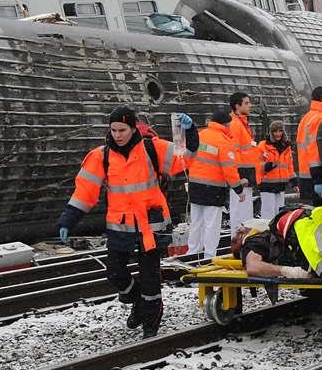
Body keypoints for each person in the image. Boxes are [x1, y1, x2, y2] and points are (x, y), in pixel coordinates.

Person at [57, 106, 198, 338]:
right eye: (113, 130)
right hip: (120, 225)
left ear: (133, 128)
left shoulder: (153, 149)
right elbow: (85, 191)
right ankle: (138, 301)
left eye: (122, 129)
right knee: (114, 273)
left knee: (150, 278)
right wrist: (68, 220)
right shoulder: (101, 156)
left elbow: (185, 159)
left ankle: (150, 325)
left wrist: (190, 131)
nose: (117, 134)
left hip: (151, 225)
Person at [188, 110, 246, 258]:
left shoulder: (201, 135)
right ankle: (209, 256)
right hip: (213, 189)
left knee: (196, 222)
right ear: (226, 124)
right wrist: (238, 189)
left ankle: (192, 253)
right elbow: (229, 169)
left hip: (195, 185)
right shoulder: (223, 141)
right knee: (211, 225)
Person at [297, 86, 322, 206]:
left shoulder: (307, 117)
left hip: (305, 174)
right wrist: (318, 178)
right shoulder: (321, 119)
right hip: (316, 175)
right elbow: (315, 150)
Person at [229, 92, 260, 237]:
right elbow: (233, 152)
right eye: (246, 103)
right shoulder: (236, 125)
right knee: (239, 212)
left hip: (247, 173)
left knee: (245, 213)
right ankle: (237, 242)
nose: (250, 105)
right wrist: (238, 177)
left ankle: (243, 242)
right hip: (242, 175)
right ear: (237, 106)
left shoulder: (242, 124)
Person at [257, 121, 298, 219]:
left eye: (280, 131)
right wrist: (268, 166)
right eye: (275, 131)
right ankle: (267, 233)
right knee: (268, 213)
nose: (278, 134)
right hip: (267, 185)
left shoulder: (286, 147)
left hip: (281, 185)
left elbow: (289, 165)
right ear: (271, 132)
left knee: (279, 213)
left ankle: (276, 233)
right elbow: (257, 164)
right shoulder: (262, 146)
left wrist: (294, 182)